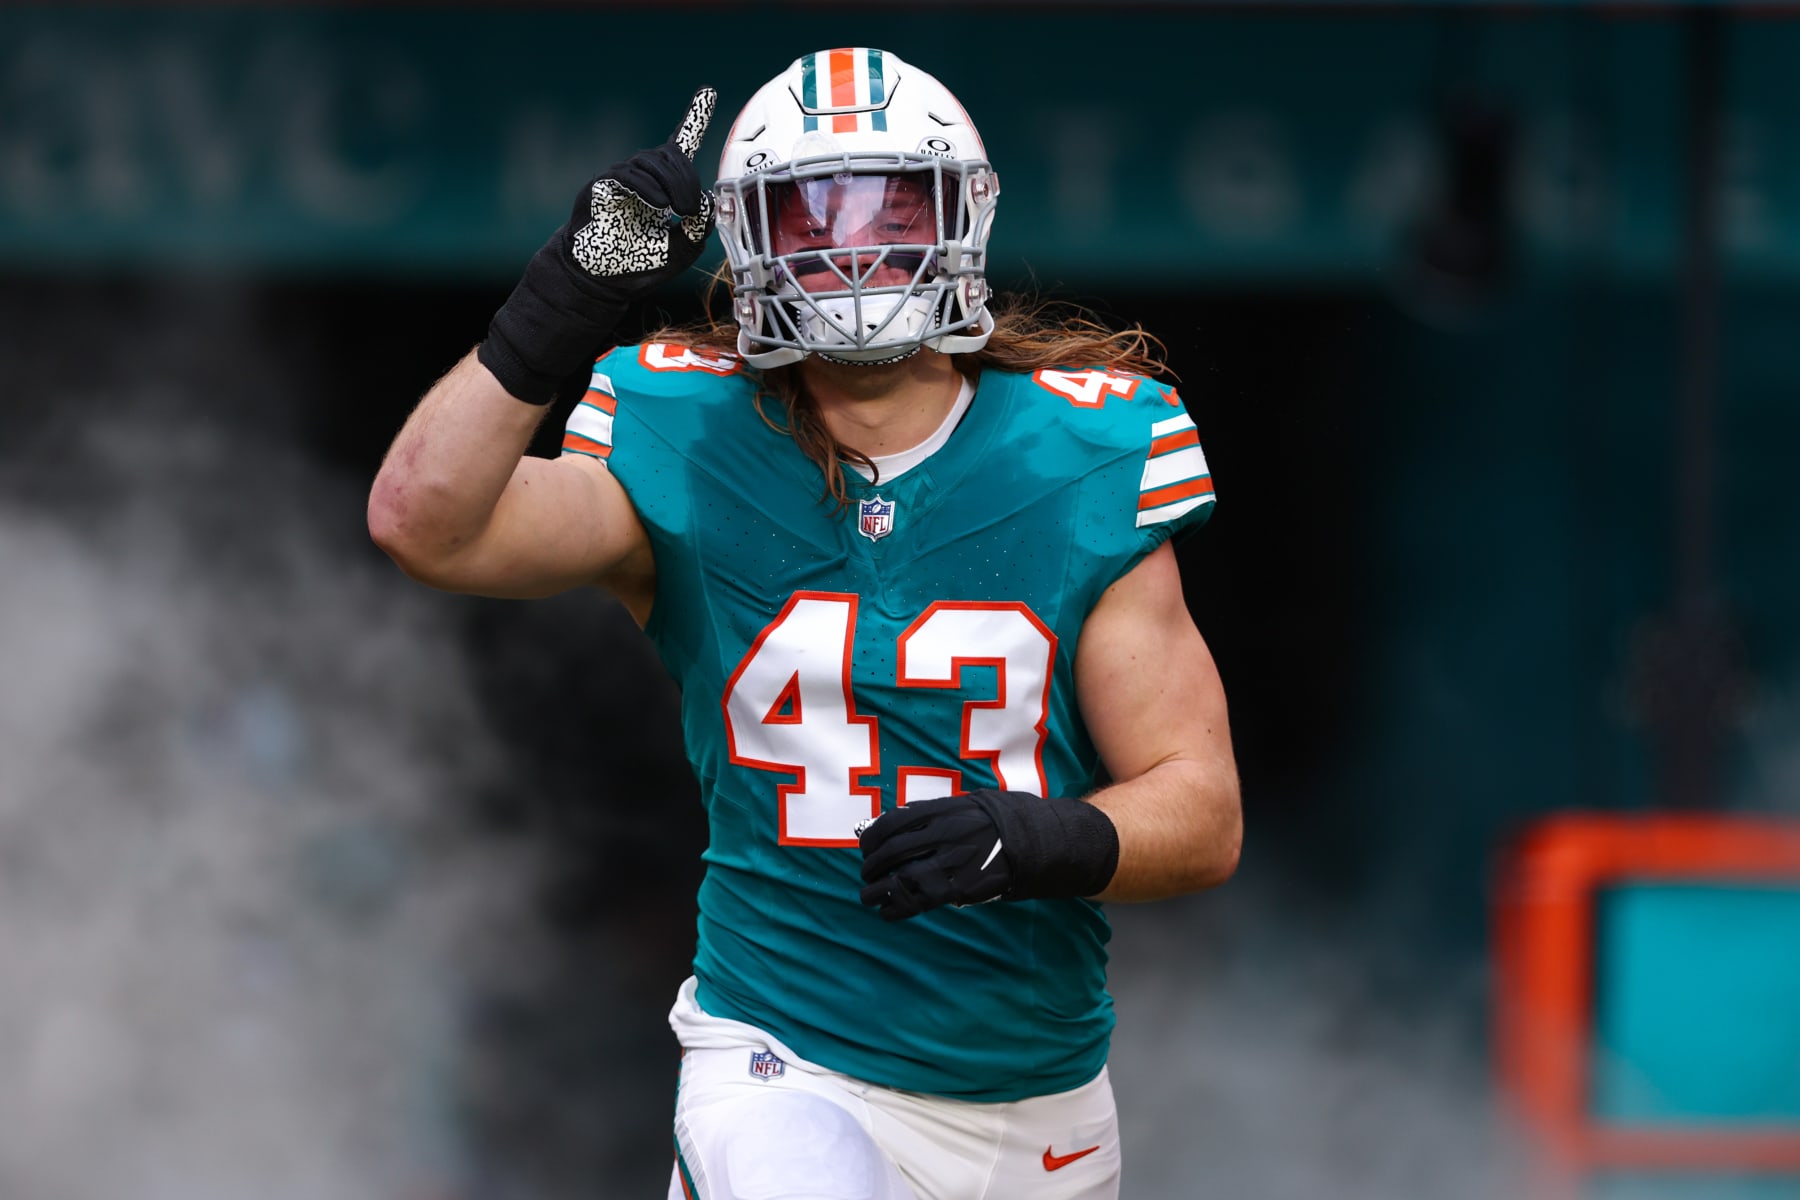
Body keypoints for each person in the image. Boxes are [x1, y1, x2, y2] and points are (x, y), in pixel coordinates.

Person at [369, 48, 1241, 1200]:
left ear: (962, 212)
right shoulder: (686, 426)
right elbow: (424, 524)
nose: (850, 248)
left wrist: (1039, 841)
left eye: (890, 206)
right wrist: (563, 297)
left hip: (1039, 1109)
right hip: (786, 1066)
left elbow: (1202, 809)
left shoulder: (1080, 451)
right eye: (809, 214)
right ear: (748, 240)